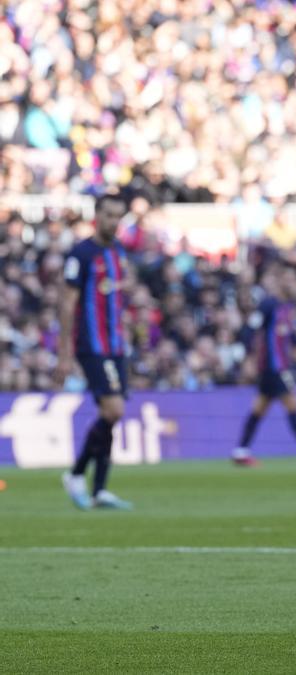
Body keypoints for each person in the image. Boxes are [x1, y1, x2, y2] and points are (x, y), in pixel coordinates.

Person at [57, 193, 135, 510]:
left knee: (111, 416)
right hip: (91, 345)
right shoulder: (81, 253)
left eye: (118, 216)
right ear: (97, 216)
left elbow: (118, 295)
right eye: (108, 215)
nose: (113, 221)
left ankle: (99, 489)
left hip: (116, 345)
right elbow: (67, 302)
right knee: (114, 410)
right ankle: (76, 474)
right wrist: (64, 351)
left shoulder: (118, 252)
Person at [231, 266, 296, 467]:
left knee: (259, 408)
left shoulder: (286, 307)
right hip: (273, 367)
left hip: (276, 367)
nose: (292, 284)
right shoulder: (269, 305)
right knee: (292, 403)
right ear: (280, 282)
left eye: (294, 280)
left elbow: (291, 334)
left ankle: (241, 451)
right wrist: (245, 356)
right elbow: (252, 329)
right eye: (288, 280)